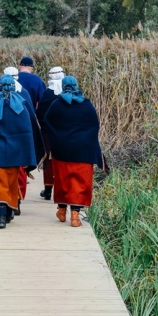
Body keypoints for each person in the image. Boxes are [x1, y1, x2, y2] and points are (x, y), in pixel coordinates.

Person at [44, 75, 104, 227]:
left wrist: (56, 140)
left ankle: (62, 211)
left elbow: (47, 123)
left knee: (62, 181)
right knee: (80, 183)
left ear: (63, 87)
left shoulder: (56, 105)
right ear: (77, 86)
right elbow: (94, 126)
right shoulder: (87, 105)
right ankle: (75, 217)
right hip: (83, 152)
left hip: (61, 151)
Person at [0, 75, 38, 229]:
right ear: (13, 86)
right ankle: (8, 212)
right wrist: (27, 154)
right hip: (15, 153)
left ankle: (0, 216)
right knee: (11, 182)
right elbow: (27, 132)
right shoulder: (21, 106)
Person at [36, 67, 65, 201]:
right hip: (65, 131)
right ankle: (62, 188)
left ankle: (48, 190)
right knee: (63, 158)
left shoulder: (48, 93)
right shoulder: (68, 92)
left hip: (48, 131)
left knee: (49, 159)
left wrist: (44, 125)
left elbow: (40, 112)